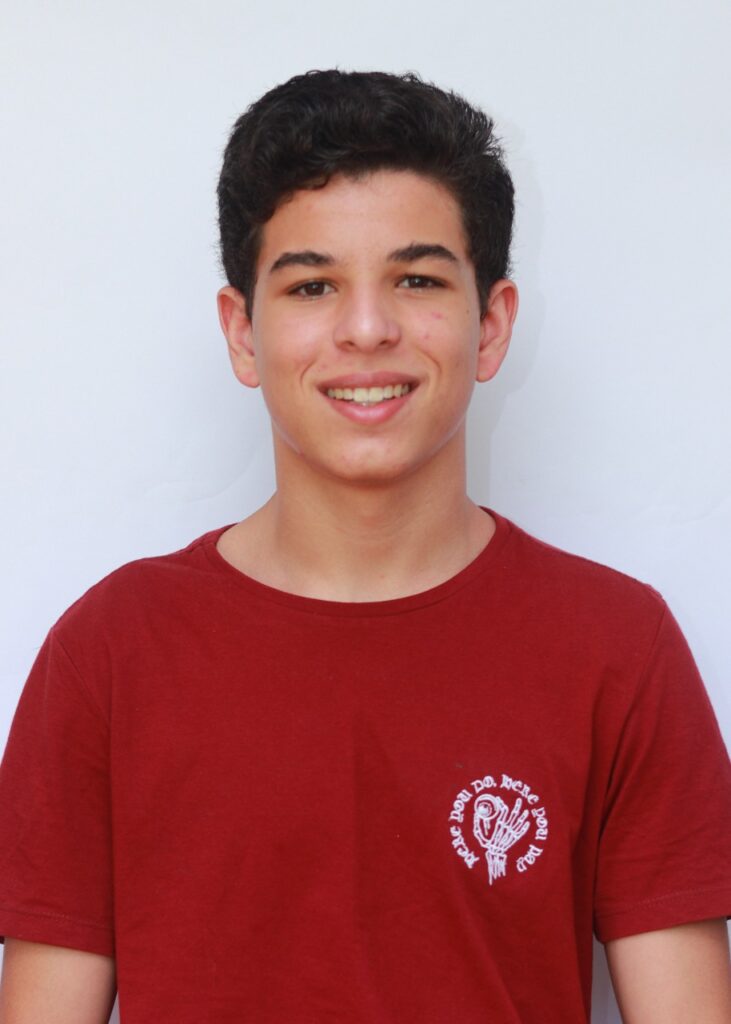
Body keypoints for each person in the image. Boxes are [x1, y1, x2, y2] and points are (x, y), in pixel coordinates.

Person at [0, 69, 729, 1024]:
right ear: (243, 333)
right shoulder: (110, 651)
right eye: (312, 286)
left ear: (491, 324)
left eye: (417, 280)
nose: (367, 329)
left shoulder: (617, 647)